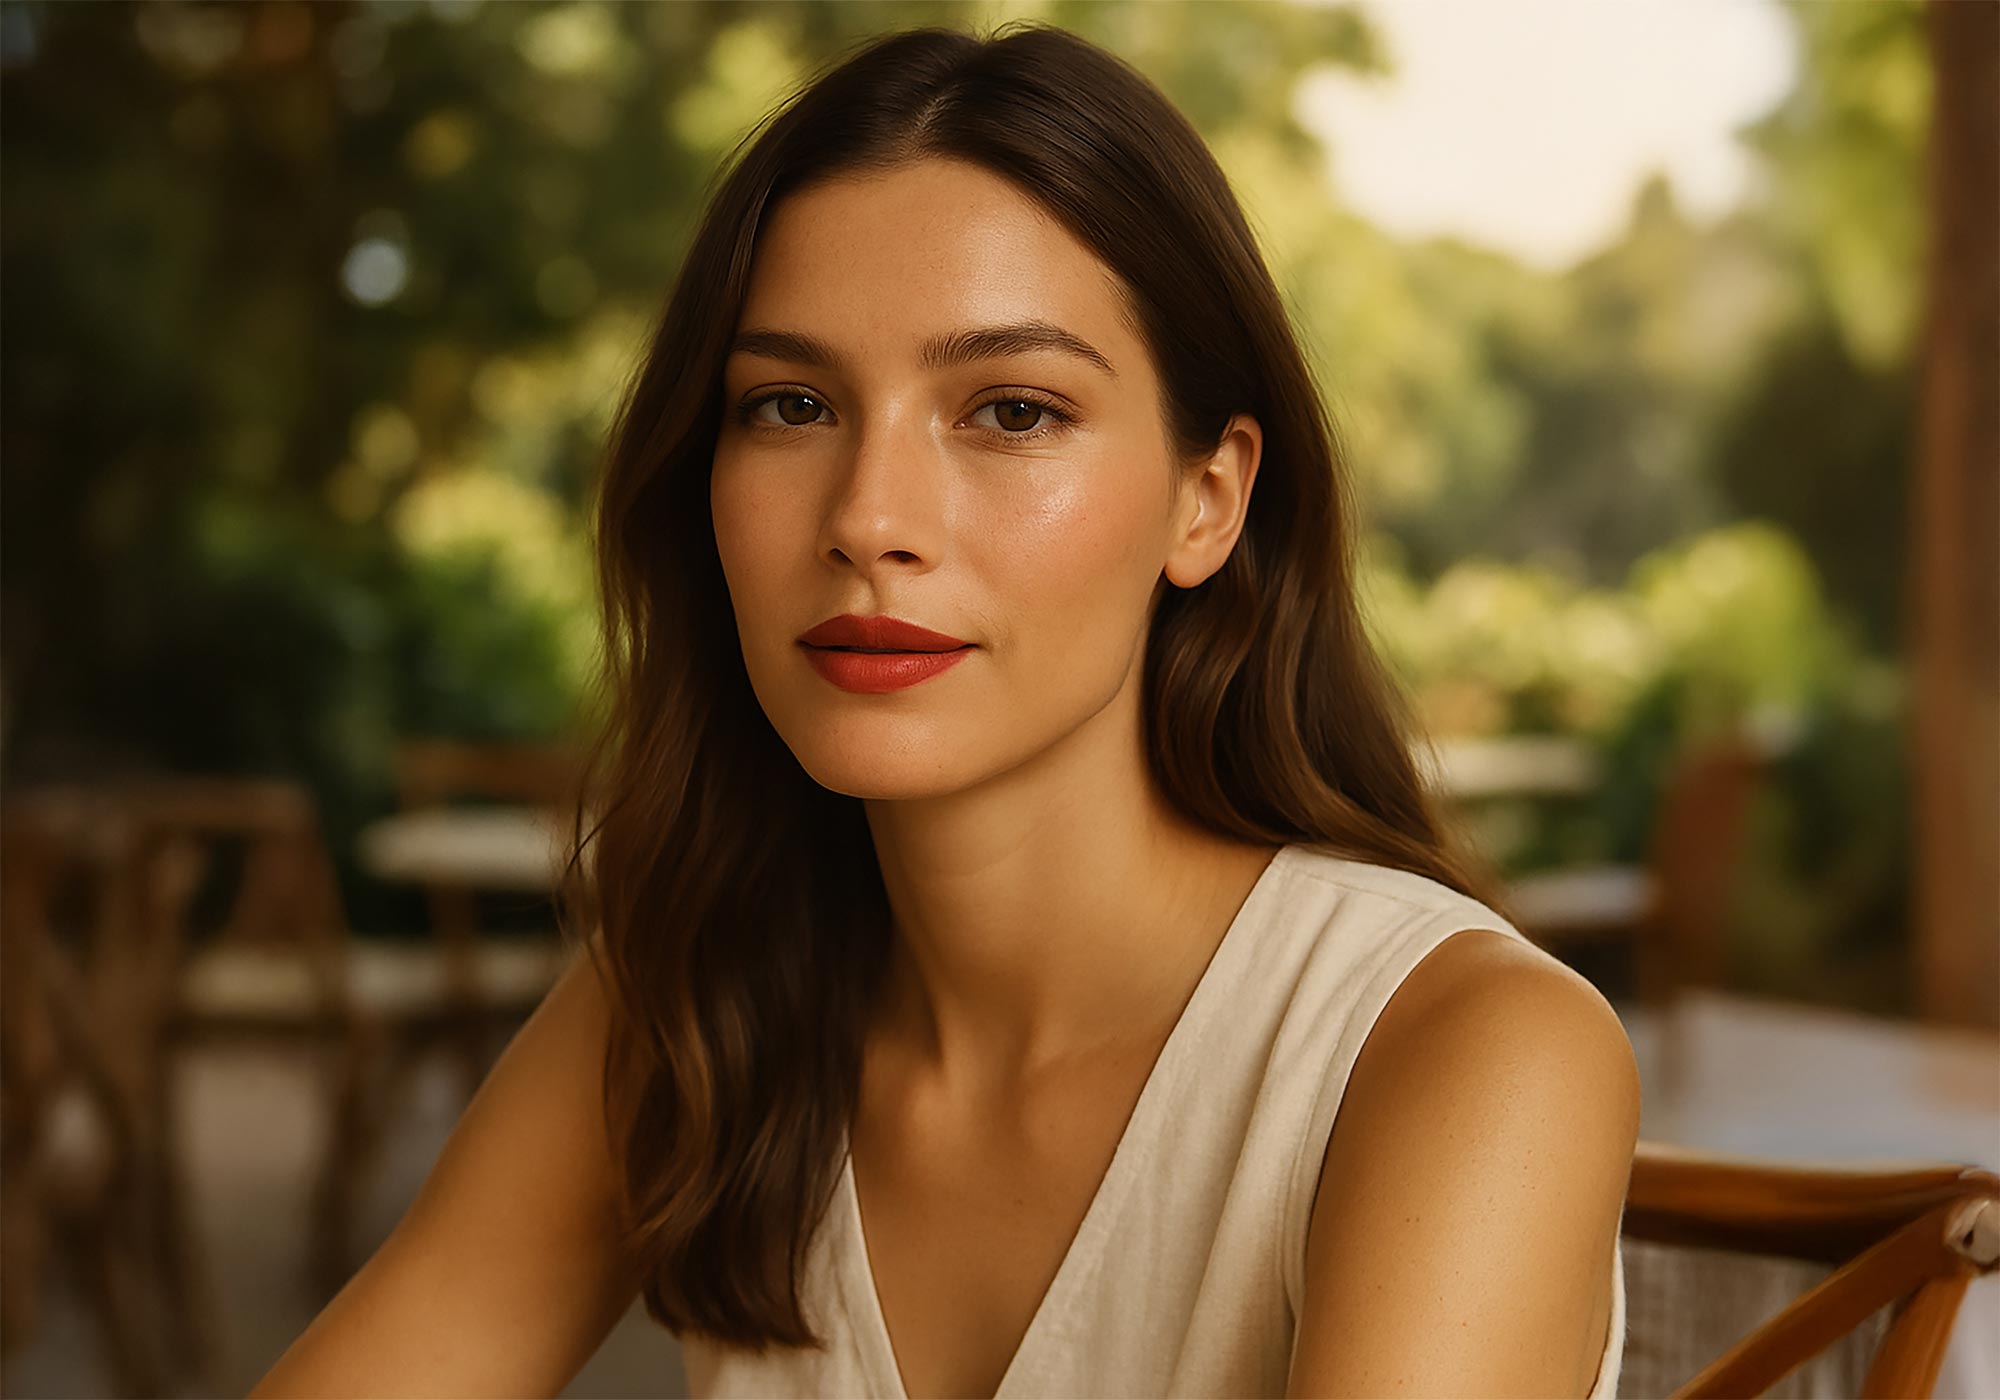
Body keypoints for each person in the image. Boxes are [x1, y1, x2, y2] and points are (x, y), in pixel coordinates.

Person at [252, 20, 1637, 1400]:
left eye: (1013, 412)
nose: (867, 519)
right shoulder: (693, 998)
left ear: (1207, 498)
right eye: (791, 405)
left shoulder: (1459, 1055)